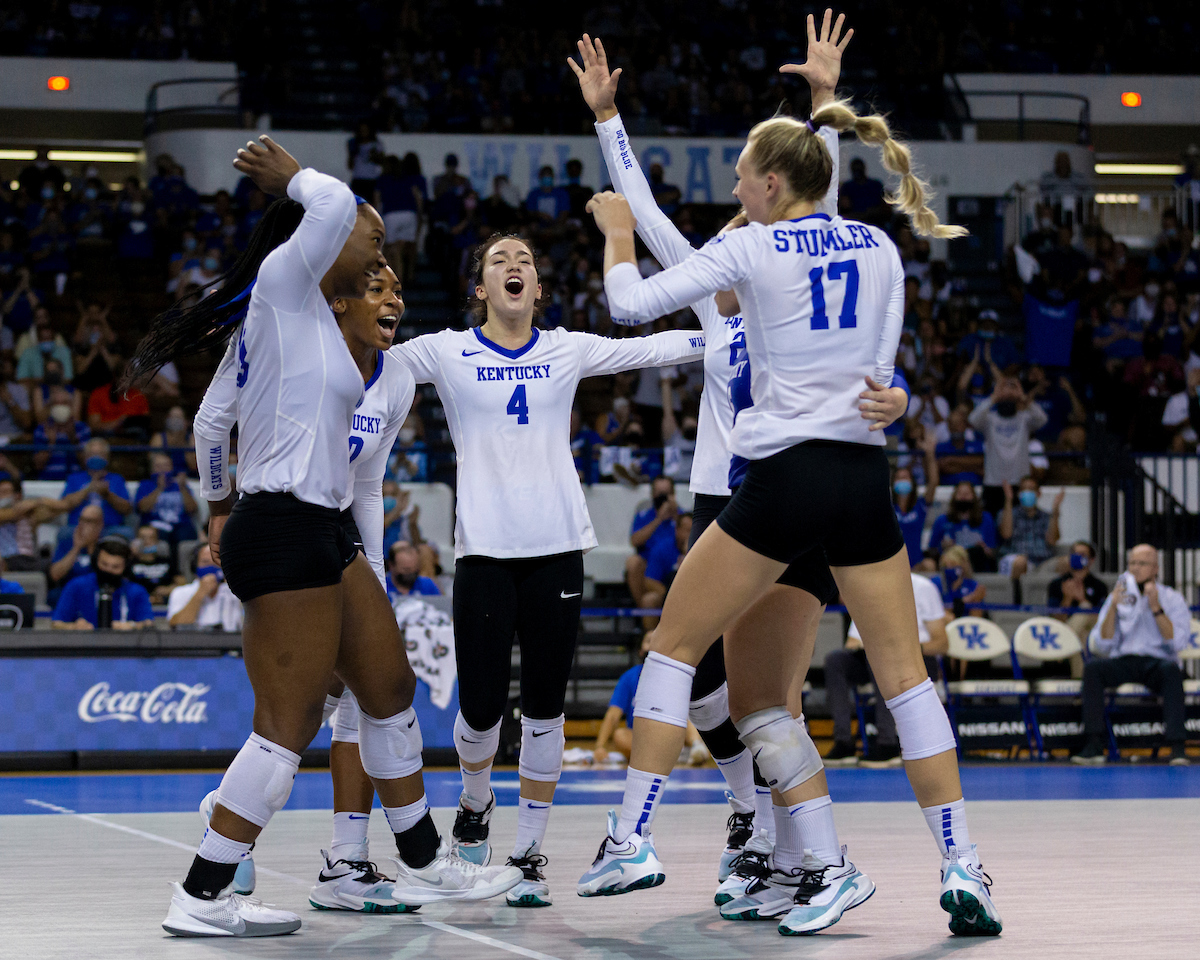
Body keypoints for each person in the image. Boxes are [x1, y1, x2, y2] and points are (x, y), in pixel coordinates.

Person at [578, 14, 1001, 935]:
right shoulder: (876, 247)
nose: (732, 194)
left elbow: (626, 295)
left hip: (778, 483)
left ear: (768, 187)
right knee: (903, 681)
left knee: (671, 652)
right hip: (862, 482)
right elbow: (874, 361)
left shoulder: (751, 251)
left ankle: (633, 837)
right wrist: (824, 104)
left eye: (740, 181)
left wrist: (614, 234)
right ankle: (962, 865)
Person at [125, 135, 521, 938]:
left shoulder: (330, 330)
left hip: (325, 528)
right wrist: (296, 181)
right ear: (323, 241)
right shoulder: (281, 284)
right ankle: (201, 893)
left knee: (388, 686)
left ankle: (420, 858)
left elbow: (345, 464)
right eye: (371, 241)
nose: (380, 250)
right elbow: (335, 203)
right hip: (280, 525)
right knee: (287, 728)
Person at [388, 229, 705, 908]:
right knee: (478, 709)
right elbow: (370, 358)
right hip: (482, 553)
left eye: (524, 261)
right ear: (479, 288)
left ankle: (530, 851)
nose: (512, 266)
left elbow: (647, 347)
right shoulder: (446, 350)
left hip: (557, 547)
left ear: (536, 288)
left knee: (544, 707)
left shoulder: (565, 347)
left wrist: (729, 335)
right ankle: (475, 805)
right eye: (498, 260)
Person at [1073, 544, 1190, 766]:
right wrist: (1113, 608)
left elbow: (1178, 642)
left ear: (1155, 568)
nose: (1135, 568)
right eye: (1132, 563)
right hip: (1124, 660)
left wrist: (1155, 607)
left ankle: (1177, 748)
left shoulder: (1172, 598)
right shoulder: (1118, 596)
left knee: (1172, 672)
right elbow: (1103, 644)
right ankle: (1094, 745)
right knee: (1093, 669)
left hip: (1157, 662)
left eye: (1142, 564)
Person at [824, 573, 948, 766]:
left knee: (881, 656)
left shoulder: (923, 587)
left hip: (916, 657)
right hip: (873, 657)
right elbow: (853, 641)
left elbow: (941, 643)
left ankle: (887, 743)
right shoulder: (865, 588)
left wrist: (903, 648)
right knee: (836, 661)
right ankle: (843, 741)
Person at [969, 376, 1048, 517]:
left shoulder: (1024, 418)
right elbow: (973, 419)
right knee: (991, 524)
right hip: (993, 483)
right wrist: (993, 398)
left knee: (1016, 525)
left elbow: (1042, 419)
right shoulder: (990, 419)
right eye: (1004, 391)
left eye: (1012, 391)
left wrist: (1023, 397)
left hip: (1018, 483)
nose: (1008, 396)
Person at [51, 535, 154, 630]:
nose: (108, 570)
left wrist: (132, 625)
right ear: (95, 561)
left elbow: (148, 623)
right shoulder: (76, 586)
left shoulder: (136, 591)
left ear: (126, 568)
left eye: (115, 567)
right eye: (104, 564)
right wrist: (74, 626)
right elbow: (56, 624)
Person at [1047, 540, 1108, 678]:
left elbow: (1103, 620)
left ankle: (1063, 647)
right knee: (1081, 637)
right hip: (1072, 630)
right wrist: (1067, 598)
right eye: (1074, 554)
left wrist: (1082, 599)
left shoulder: (1100, 586)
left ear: (1091, 560)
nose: (1077, 557)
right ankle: (1080, 695)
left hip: (1096, 631)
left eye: (1082, 554)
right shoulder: (1056, 585)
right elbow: (1056, 621)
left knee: (1085, 607)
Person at [997, 477, 1062, 599]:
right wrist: (1008, 501)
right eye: (1024, 489)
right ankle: (1017, 603)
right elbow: (1006, 534)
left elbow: (1053, 540)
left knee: (1068, 562)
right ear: (1019, 494)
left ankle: (1059, 604)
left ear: (1038, 493)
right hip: (1017, 560)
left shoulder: (1046, 516)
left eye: (1031, 489)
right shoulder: (1009, 513)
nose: (1028, 492)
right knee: (1020, 562)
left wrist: (1055, 511)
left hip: (1043, 562)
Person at [59, 437, 133, 531]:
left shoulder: (116, 479)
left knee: (125, 532)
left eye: (100, 454)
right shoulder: (74, 478)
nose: (96, 457)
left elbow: (127, 509)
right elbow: (64, 505)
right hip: (78, 528)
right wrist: (88, 489)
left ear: (107, 457)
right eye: (92, 454)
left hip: (109, 528)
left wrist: (107, 495)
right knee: (64, 533)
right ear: (86, 457)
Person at [168, 544, 243, 631]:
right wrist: (200, 593)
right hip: (193, 642)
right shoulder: (180, 592)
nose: (211, 568)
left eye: (215, 563)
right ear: (195, 566)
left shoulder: (235, 591)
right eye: (205, 563)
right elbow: (176, 625)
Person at [928, 481, 998, 573]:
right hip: (951, 564)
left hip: (978, 565)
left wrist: (985, 550)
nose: (963, 497)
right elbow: (931, 550)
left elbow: (993, 551)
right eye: (960, 494)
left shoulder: (986, 519)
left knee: (977, 552)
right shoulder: (942, 520)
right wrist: (942, 546)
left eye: (967, 494)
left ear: (974, 497)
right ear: (954, 497)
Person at [893, 433, 939, 569]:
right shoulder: (887, 507)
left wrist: (930, 455)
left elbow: (933, 482)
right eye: (899, 478)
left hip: (916, 565)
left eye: (905, 477)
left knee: (930, 565)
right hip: (894, 566)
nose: (902, 480)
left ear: (912, 483)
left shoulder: (920, 506)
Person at [134, 451, 199, 545]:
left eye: (166, 465)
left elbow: (192, 509)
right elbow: (143, 509)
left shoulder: (181, 486)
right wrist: (159, 488)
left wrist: (182, 488)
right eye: (159, 466)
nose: (163, 470)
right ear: (152, 469)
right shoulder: (145, 485)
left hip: (180, 525)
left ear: (172, 467)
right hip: (155, 525)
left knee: (186, 535)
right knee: (160, 535)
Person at [48, 502, 105, 590]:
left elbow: (103, 577)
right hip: (68, 590)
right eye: (81, 519)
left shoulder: (105, 546)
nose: (82, 524)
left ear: (100, 525)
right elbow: (55, 575)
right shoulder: (66, 542)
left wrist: (91, 546)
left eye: (88, 521)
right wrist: (76, 547)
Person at [930, 545, 986, 616]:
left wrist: (976, 599)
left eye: (953, 565)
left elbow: (976, 617)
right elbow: (937, 611)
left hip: (966, 623)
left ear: (963, 565)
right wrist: (968, 599)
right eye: (945, 565)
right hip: (943, 622)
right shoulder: (936, 582)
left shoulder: (972, 585)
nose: (949, 568)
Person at [128, 524, 175, 603]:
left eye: (151, 538)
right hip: (138, 600)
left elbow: (182, 582)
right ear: (136, 541)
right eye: (143, 538)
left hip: (164, 600)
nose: (147, 541)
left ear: (157, 541)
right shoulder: (130, 563)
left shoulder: (166, 561)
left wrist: (169, 589)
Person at [150, 405, 198, 476]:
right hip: (164, 477)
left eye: (178, 418)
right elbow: (157, 463)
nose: (175, 421)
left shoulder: (191, 438)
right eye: (172, 417)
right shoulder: (158, 437)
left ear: (186, 421)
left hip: (188, 478)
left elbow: (194, 466)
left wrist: (181, 440)